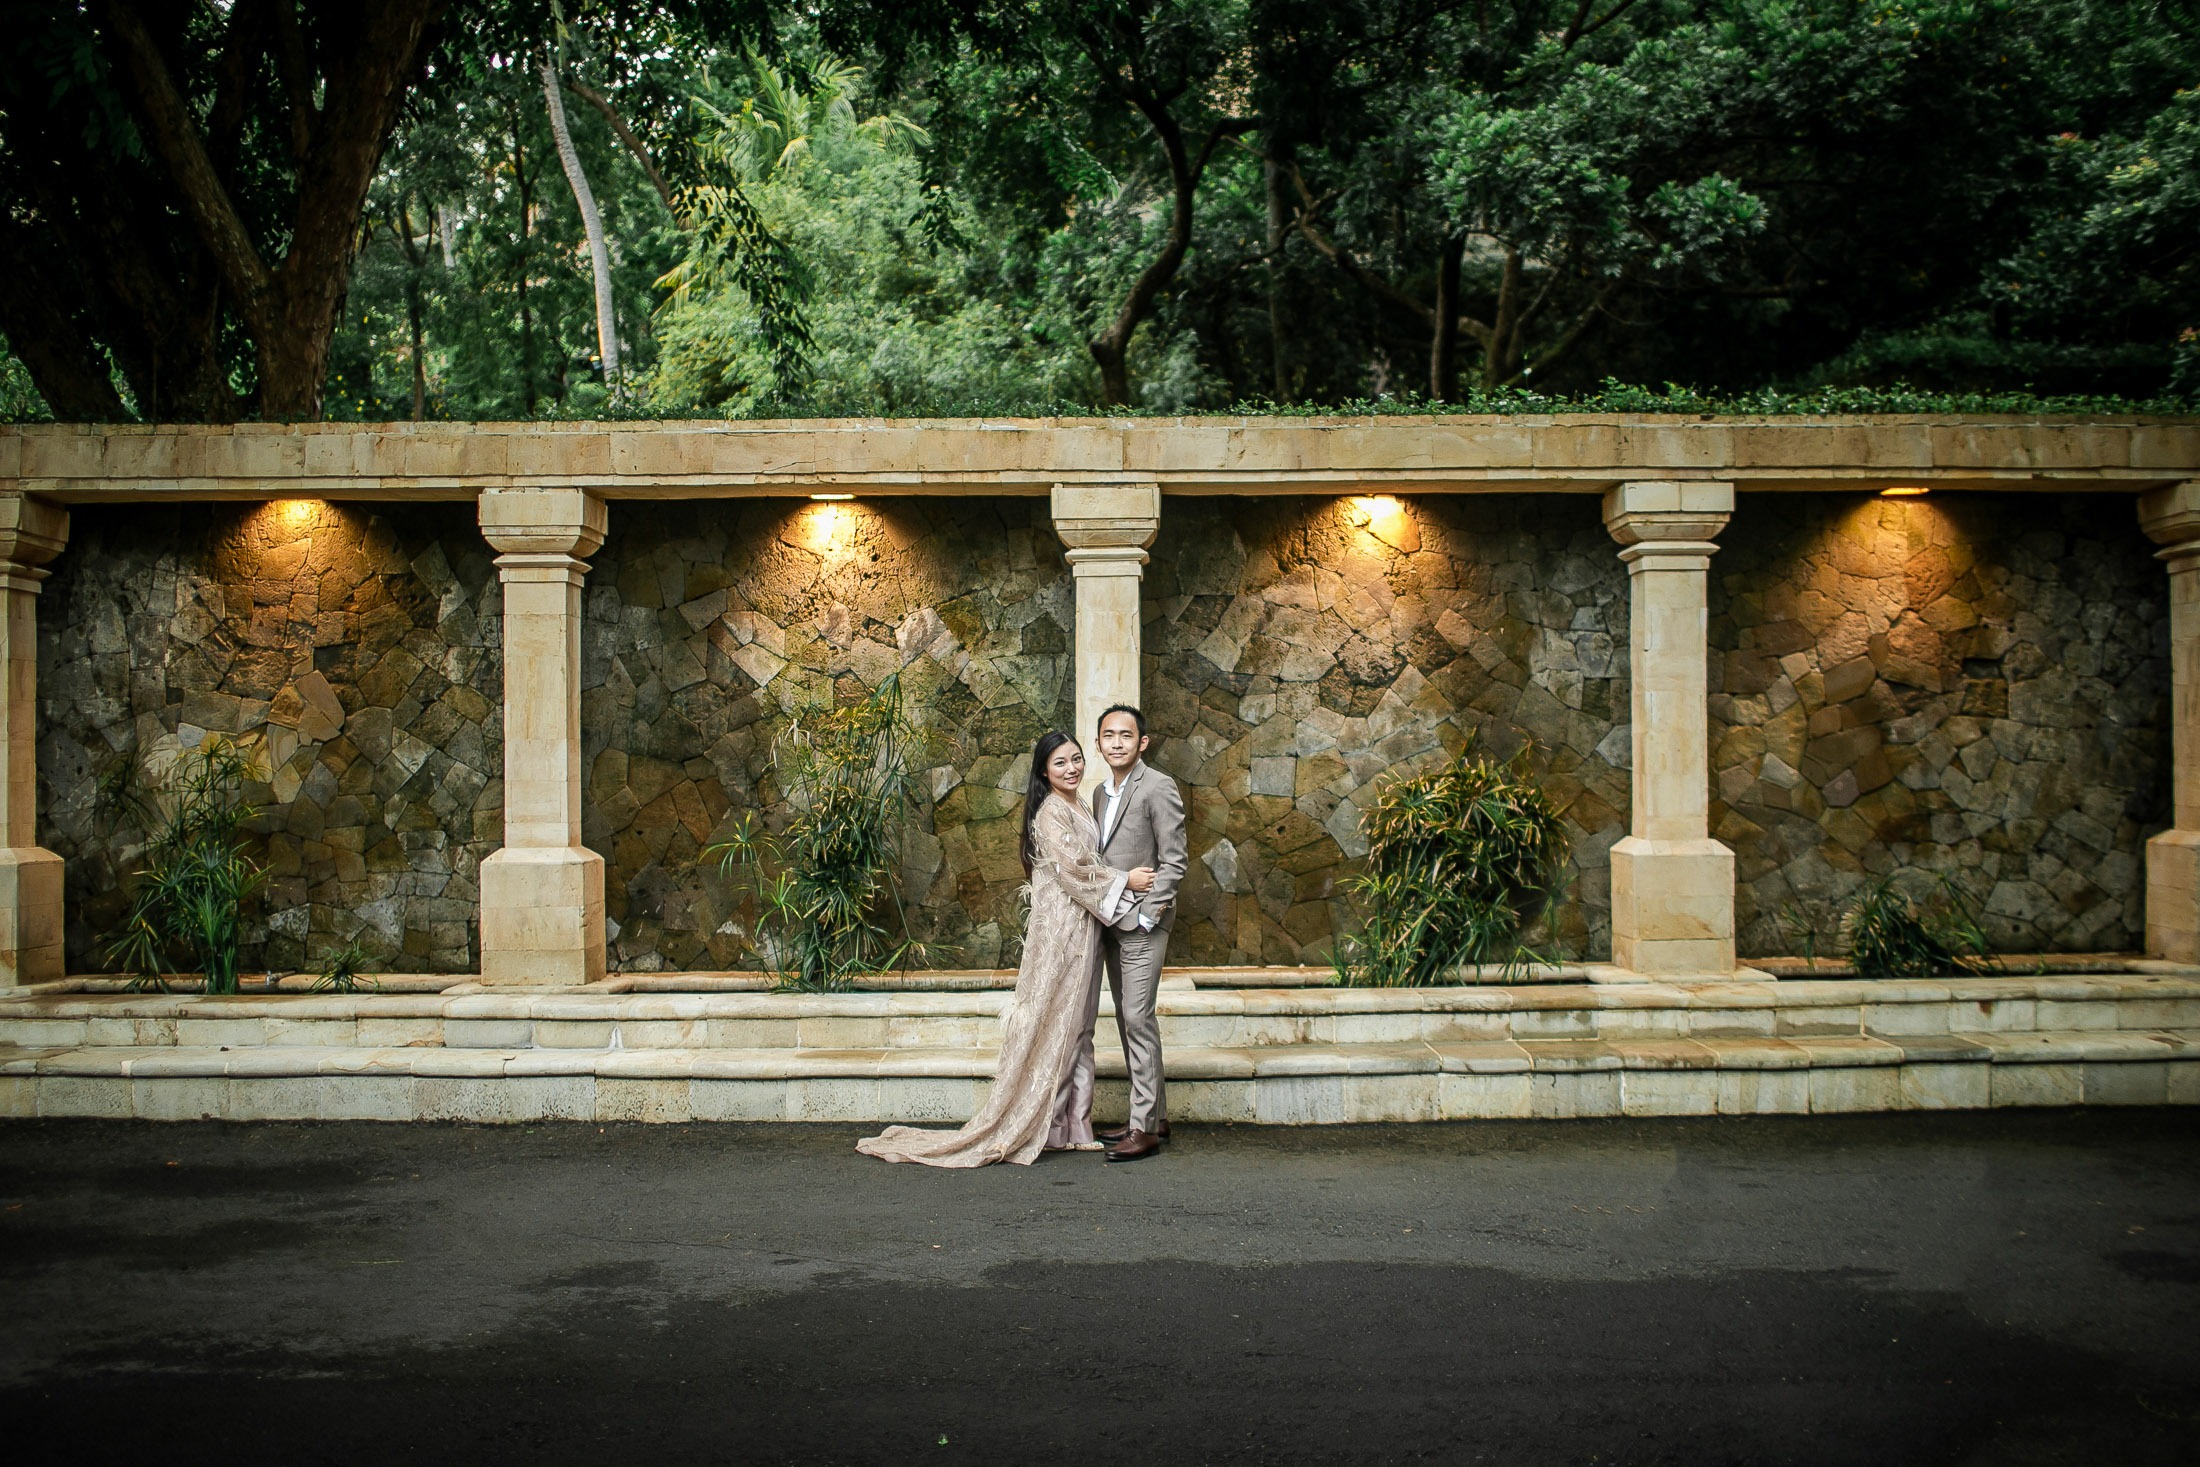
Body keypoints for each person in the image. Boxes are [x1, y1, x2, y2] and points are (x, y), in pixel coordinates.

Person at [856, 732, 1154, 1167]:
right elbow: (1074, 871)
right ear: (1043, 772)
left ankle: (1072, 1126)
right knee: (1056, 1024)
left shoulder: (1078, 805)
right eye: (1060, 764)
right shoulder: (1050, 812)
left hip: (1082, 930)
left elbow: (1084, 865)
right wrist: (1126, 880)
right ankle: (1042, 1123)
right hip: (1060, 937)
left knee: (1078, 1027)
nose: (1071, 768)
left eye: (1075, 759)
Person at [1074, 703, 1188, 1163]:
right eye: (1108, 735)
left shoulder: (1159, 787)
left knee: (1138, 1017)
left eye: (1126, 735)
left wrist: (1147, 915)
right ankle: (1154, 1114)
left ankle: (1144, 1129)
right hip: (1110, 920)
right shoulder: (1100, 793)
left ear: (1142, 743)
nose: (1116, 742)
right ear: (1099, 742)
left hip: (1142, 923)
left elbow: (1174, 860)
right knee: (1126, 1018)